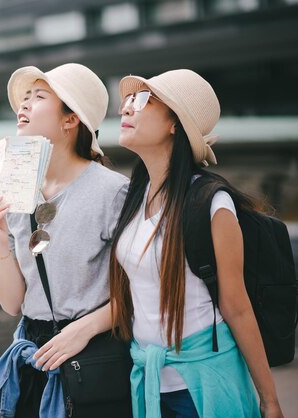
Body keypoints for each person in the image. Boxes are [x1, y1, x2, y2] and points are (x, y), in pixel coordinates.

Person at [108, 69, 285, 418]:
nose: (126, 108)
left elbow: (237, 307)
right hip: (150, 381)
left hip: (204, 384)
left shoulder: (211, 203)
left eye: (142, 100)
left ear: (176, 124)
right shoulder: (135, 196)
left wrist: (270, 401)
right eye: (127, 99)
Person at [0, 63, 131, 417]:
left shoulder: (112, 191)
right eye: (24, 98)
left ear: (70, 120)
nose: (24, 105)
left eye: (38, 96)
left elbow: (144, 289)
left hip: (92, 360)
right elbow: (12, 303)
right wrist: (0, 242)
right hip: (34, 361)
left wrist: (83, 330)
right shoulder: (16, 191)